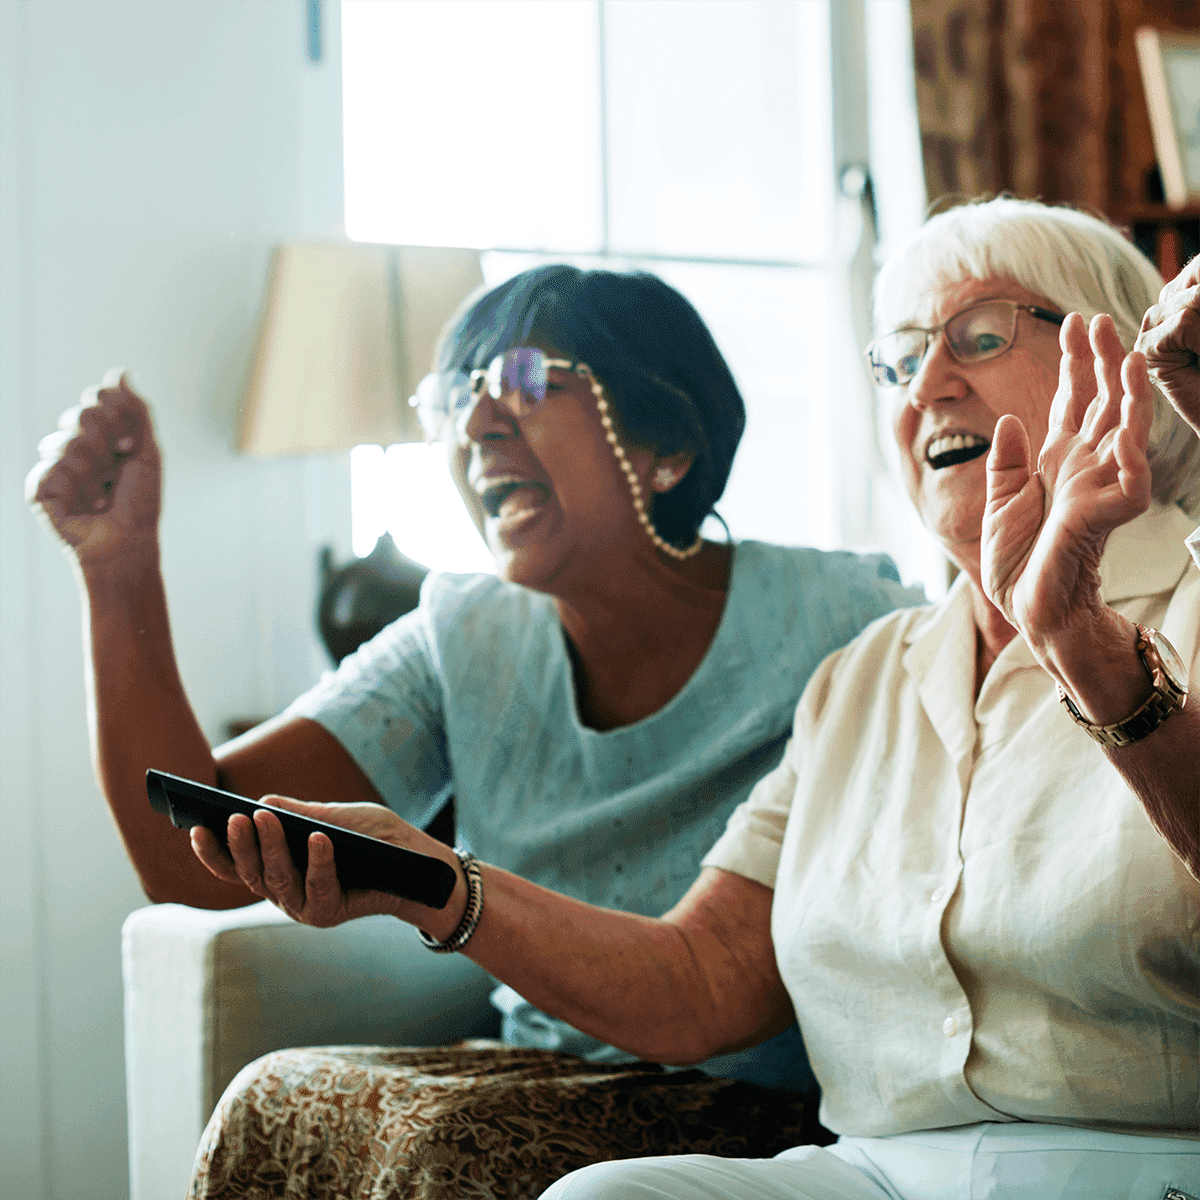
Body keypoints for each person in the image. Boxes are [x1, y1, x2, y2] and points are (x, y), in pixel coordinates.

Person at [183, 199, 1199, 1200]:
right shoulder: (865, 674)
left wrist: (1078, 638)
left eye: (978, 337)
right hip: (876, 1170)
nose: (927, 383)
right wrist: (436, 882)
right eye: (898, 360)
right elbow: (705, 976)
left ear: (1123, 372)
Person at [26, 265, 925, 1191]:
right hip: (546, 1074)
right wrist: (120, 570)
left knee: (443, 1141)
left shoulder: (847, 621)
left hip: (762, 1101)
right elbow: (184, 860)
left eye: (530, 381)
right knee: (273, 1093)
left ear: (669, 445)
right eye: (459, 396)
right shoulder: (464, 636)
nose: (479, 424)